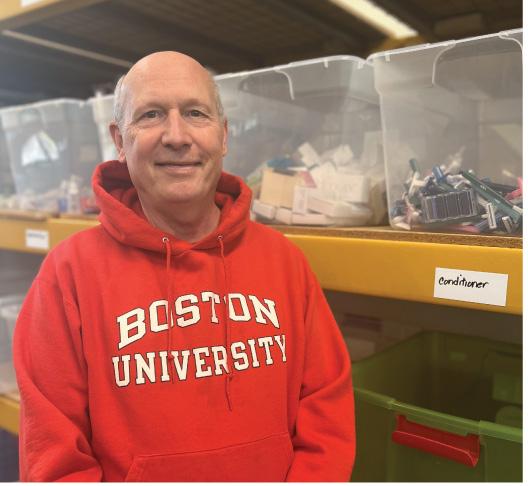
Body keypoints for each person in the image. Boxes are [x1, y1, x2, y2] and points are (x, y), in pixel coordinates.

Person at [13, 51, 355, 482]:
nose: (177, 136)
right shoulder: (68, 275)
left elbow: (327, 417)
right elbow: (55, 459)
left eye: (195, 113)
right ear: (119, 140)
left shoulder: (284, 262)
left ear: (223, 135)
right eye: (151, 115)